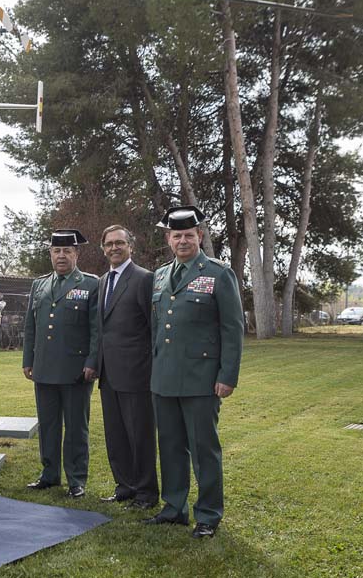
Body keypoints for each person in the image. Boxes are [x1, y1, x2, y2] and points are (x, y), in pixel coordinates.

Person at [143, 206, 243, 539]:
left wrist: (227, 375)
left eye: (188, 234)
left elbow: (232, 328)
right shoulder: (159, 275)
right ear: (168, 239)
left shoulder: (218, 273)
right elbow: (156, 327)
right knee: (170, 447)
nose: (182, 240)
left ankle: (209, 514)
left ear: (199, 236)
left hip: (202, 380)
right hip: (165, 378)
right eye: (176, 235)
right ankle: (173, 508)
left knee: (204, 450)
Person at [86, 225, 159, 510]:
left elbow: (152, 328)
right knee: (116, 436)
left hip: (137, 373)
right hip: (109, 374)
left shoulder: (144, 279)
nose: (114, 248)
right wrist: (95, 363)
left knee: (140, 436)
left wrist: (152, 368)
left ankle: (146, 493)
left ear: (131, 246)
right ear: (103, 248)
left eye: (120, 243)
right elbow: (101, 329)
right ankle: (125, 486)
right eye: (109, 244)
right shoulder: (103, 281)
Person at [23, 229, 99, 498]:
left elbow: (96, 329)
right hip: (43, 368)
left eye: (67, 251)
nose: (62, 255)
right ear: (51, 254)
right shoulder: (39, 285)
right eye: (57, 251)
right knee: (48, 425)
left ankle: (76, 478)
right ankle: (49, 474)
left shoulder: (91, 284)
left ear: (76, 254)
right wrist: (28, 359)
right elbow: (30, 326)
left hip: (75, 370)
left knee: (77, 427)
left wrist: (92, 362)